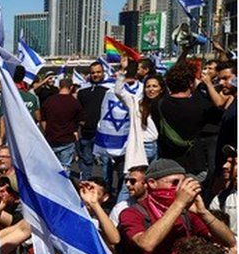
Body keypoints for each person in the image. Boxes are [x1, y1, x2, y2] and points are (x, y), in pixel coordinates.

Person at [151, 63, 220, 176]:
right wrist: (204, 85)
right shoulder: (200, 105)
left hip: (167, 164)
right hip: (193, 166)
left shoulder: (157, 104)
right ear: (190, 83)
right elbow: (219, 110)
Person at [95, 59, 142, 194]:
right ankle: (105, 193)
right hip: (110, 138)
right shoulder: (110, 90)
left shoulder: (141, 90)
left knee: (125, 171)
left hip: (129, 139)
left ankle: (120, 194)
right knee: (107, 169)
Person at [40, 79, 83, 176]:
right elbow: (80, 120)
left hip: (51, 138)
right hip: (67, 139)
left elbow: (42, 119)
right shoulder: (74, 102)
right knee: (65, 167)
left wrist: (47, 130)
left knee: (51, 167)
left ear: (59, 86)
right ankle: (64, 188)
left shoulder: (49, 101)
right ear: (71, 87)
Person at [77, 61, 110, 180]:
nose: (95, 75)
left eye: (98, 72)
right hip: (87, 133)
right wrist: (80, 123)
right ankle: (86, 186)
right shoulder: (82, 91)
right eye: (93, 73)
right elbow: (78, 111)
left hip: (104, 133)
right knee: (86, 161)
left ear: (103, 73)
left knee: (106, 162)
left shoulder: (109, 90)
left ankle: (107, 188)